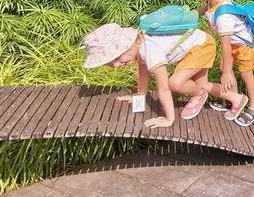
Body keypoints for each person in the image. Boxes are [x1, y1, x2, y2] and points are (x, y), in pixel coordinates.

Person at [82, 22, 239, 128]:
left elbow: (164, 89)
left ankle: (199, 94)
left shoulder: (150, 50)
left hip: (201, 46)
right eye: (112, 63)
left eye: (116, 58)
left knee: (175, 83)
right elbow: (142, 71)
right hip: (197, 43)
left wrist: (168, 119)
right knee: (203, 83)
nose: (116, 65)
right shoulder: (139, 44)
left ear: (125, 46)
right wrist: (139, 96)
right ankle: (237, 98)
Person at [191, 0, 254, 125]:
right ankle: (234, 100)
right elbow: (204, 10)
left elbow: (225, 45)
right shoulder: (213, 2)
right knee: (224, 68)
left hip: (245, 46)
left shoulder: (223, 16)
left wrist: (228, 72)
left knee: (246, 74)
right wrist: (189, 14)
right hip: (233, 45)